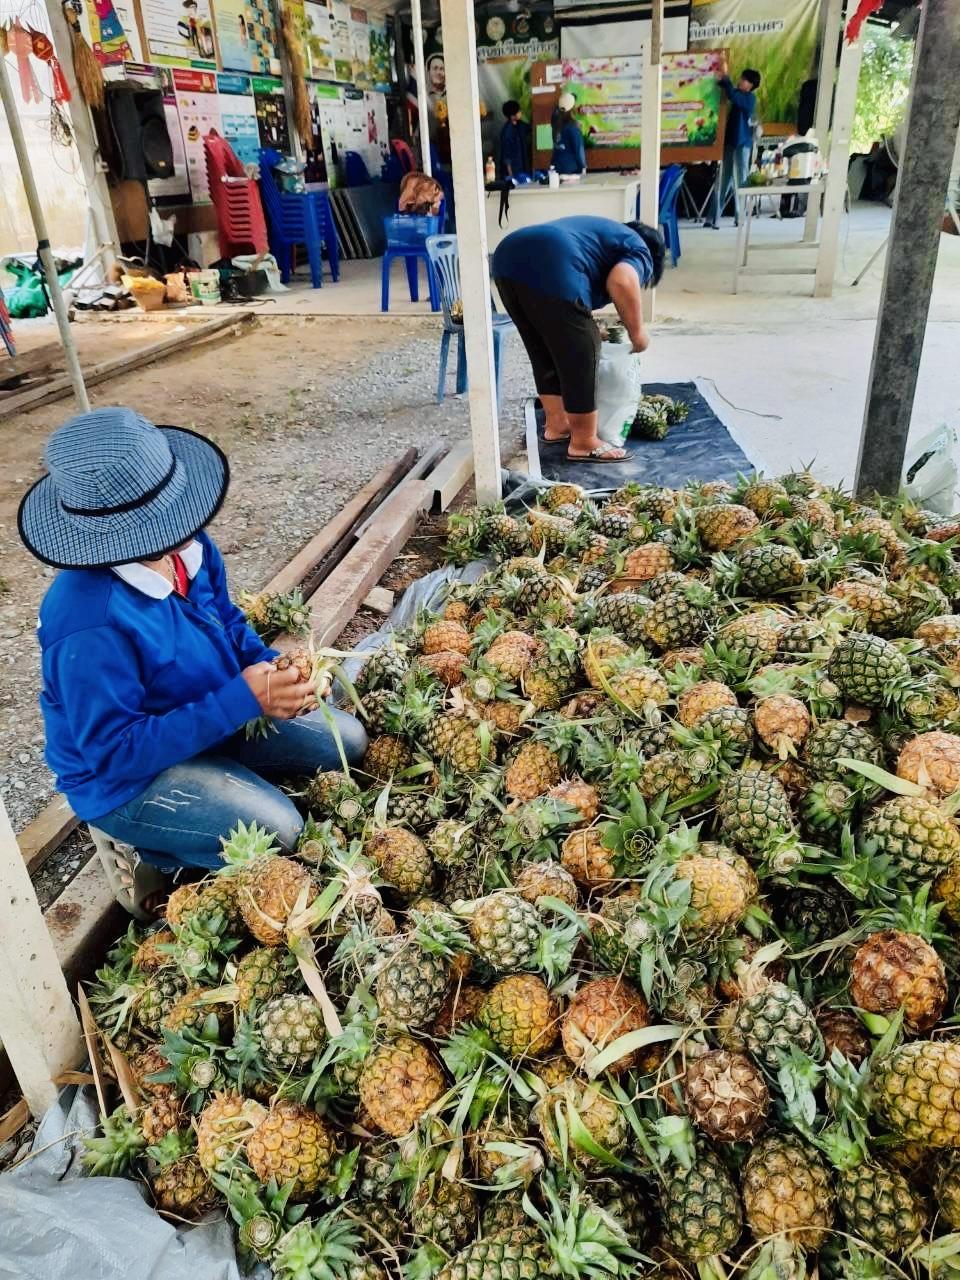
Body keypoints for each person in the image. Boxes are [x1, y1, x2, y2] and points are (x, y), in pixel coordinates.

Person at [17, 407, 368, 880]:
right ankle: (155, 857)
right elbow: (114, 754)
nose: (182, 526)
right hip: (128, 778)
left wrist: (276, 669)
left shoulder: (187, 548)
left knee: (348, 740)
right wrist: (241, 701)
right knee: (280, 832)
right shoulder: (87, 623)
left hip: (210, 716)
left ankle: (216, 788)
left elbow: (227, 620)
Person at [492, 216, 665, 464]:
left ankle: (557, 425)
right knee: (584, 350)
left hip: (506, 259)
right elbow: (622, 280)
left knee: (543, 347)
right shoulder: (639, 247)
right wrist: (637, 333)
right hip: (551, 258)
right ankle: (584, 442)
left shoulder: (604, 237)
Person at [707, 62, 761, 228]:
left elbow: (733, 96)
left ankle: (739, 216)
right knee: (723, 180)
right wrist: (722, 80)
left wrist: (726, 80)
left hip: (742, 144)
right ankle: (713, 217)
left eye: (744, 79)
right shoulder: (736, 93)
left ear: (751, 85)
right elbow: (730, 92)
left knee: (740, 181)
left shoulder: (749, 99)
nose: (741, 81)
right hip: (730, 142)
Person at [551, 92, 585, 176]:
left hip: (556, 166)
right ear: (572, 108)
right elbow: (578, 150)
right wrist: (583, 166)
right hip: (571, 169)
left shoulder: (556, 124)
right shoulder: (573, 127)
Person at [499, 99, 530, 179]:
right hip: (515, 171)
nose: (520, 112)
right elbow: (507, 156)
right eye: (518, 111)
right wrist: (511, 175)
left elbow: (530, 128)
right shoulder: (507, 132)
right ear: (512, 116)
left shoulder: (520, 125)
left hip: (523, 168)